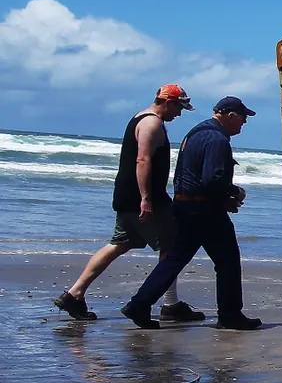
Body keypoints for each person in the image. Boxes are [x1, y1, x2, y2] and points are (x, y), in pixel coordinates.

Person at [53, 84, 207, 322]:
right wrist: (146, 199)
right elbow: (142, 160)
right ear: (168, 103)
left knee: (119, 244)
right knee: (172, 247)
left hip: (126, 196)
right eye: (179, 107)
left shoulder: (138, 118)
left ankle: (74, 294)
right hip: (144, 199)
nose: (179, 114)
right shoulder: (152, 124)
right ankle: (170, 304)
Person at [121, 96, 262, 331]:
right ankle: (230, 314)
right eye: (243, 118)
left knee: (174, 260)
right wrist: (231, 194)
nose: (243, 124)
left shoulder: (196, 133)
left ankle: (139, 304)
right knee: (227, 261)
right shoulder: (217, 140)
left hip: (184, 206)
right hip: (204, 210)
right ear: (230, 116)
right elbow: (212, 180)